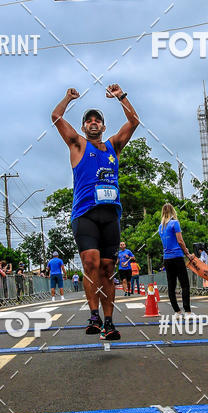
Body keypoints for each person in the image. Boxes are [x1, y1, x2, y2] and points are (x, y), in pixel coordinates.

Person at [52, 83, 139, 340]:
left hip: (110, 215)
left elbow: (134, 122)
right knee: (91, 263)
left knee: (108, 269)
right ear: (83, 127)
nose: (93, 123)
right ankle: (93, 315)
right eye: (88, 120)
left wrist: (121, 97)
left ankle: (109, 322)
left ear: (103, 126)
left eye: (97, 120)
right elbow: (56, 117)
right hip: (85, 214)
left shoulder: (113, 146)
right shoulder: (78, 145)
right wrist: (67, 98)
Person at [158, 203, 192, 315]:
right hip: (177, 256)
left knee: (171, 285)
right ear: (173, 211)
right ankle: (187, 311)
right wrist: (187, 253)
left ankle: (177, 311)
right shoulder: (175, 223)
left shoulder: (160, 227)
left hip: (167, 258)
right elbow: (180, 241)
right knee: (185, 284)